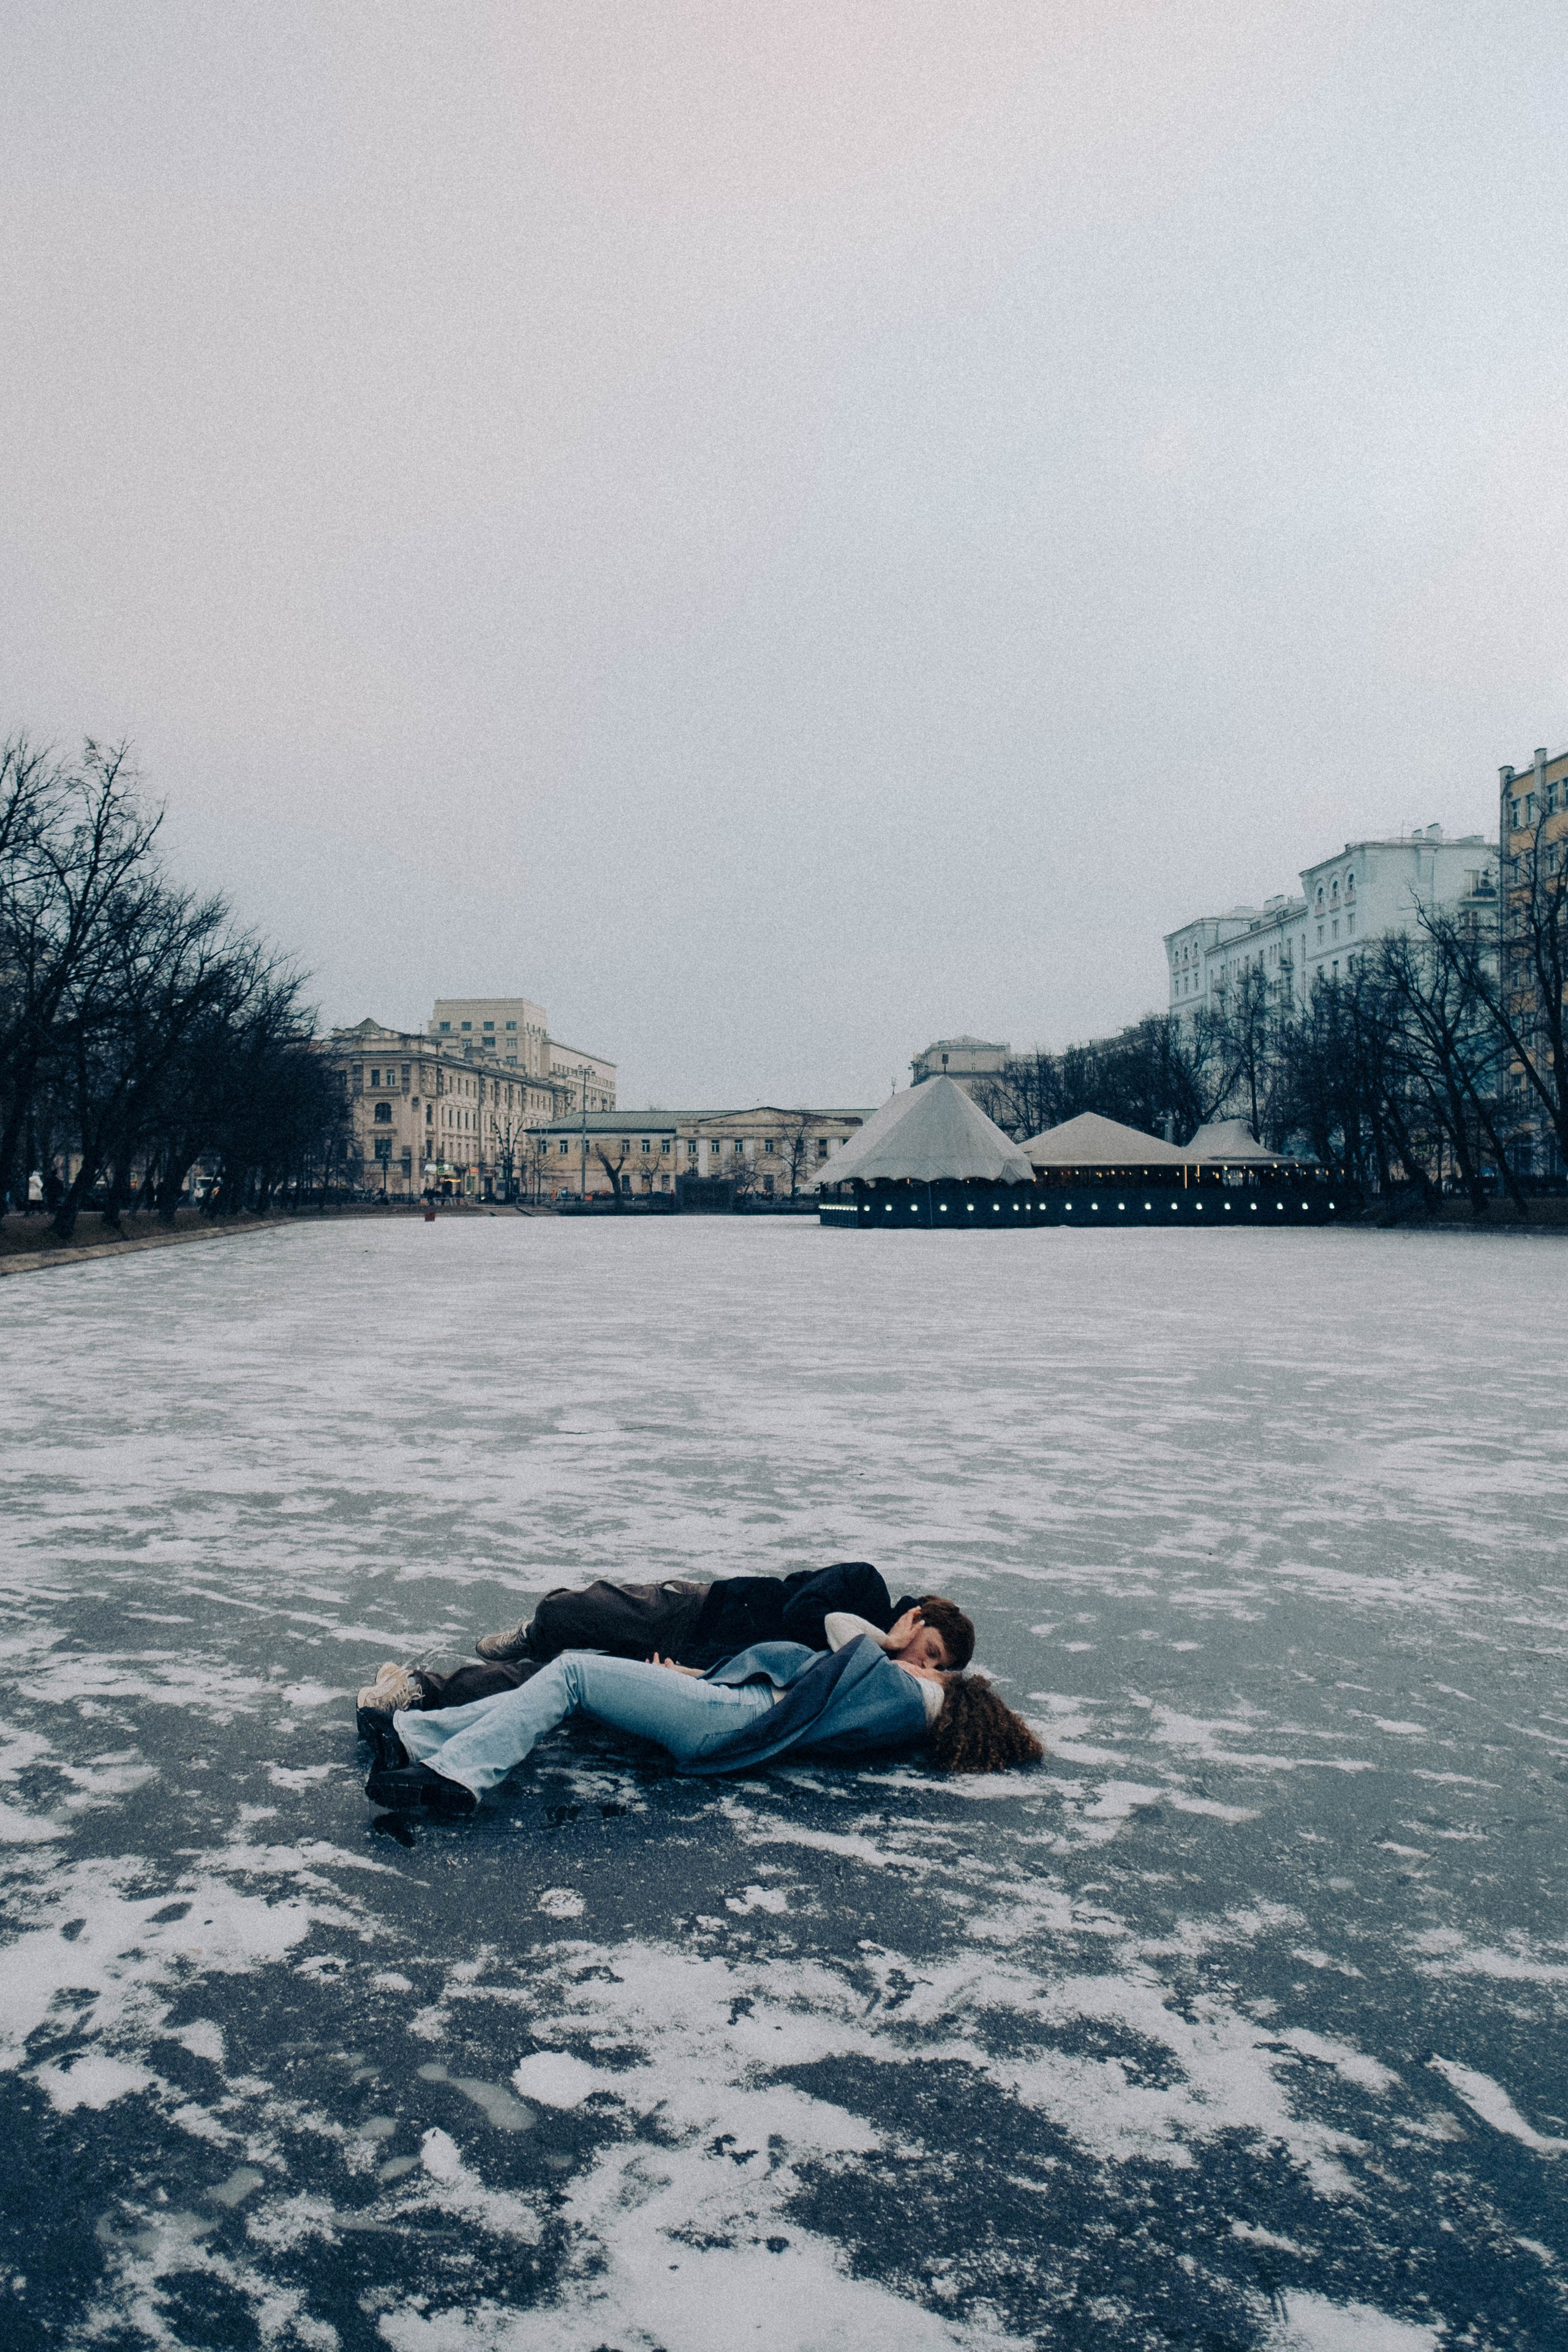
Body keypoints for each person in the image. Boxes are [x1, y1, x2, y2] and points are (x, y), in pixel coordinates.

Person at [361, 1623, 1042, 1817]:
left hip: (727, 1718)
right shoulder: (898, 1709)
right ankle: (415, 1738)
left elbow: (842, 1639)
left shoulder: (905, 1696)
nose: (927, 1668)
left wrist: (894, 1642)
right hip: (727, 1709)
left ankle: (455, 1777)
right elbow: (809, 1690)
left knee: (571, 1670)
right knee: (581, 1680)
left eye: (936, 1666)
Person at [356, 1569, 976, 1725]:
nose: (922, 1666)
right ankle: (538, 1631)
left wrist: (692, 1675)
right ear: (918, 1618)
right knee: (576, 1611)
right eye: (931, 1650)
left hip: (698, 1663)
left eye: (936, 1669)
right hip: (696, 1607)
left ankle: (419, 1690)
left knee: (555, 1683)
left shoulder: (868, 1677)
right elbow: (802, 1614)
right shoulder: (865, 1585)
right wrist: (887, 1637)